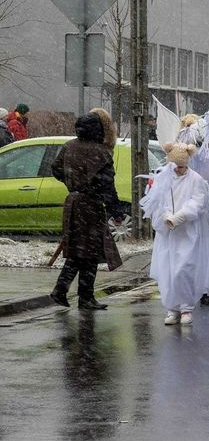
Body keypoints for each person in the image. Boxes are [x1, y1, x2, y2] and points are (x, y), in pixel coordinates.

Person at [48, 113, 127, 309]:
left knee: (77, 252)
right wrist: (116, 210)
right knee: (89, 254)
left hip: (73, 204)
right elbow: (107, 185)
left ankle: (66, 291)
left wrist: (71, 183)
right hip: (90, 206)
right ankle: (82, 296)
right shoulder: (100, 152)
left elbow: (56, 169)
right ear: (98, 130)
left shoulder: (69, 146)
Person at [141, 143, 209, 325]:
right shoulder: (163, 179)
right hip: (167, 234)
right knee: (168, 271)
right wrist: (165, 216)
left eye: (181, 166)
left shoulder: (195, 179)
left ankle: (186, 307)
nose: (178, 170)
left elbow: (198, 202)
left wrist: (179, 217)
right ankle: (172, 308)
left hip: (187, 232)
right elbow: (157, 200)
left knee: (184, 269)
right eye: (175, 166)